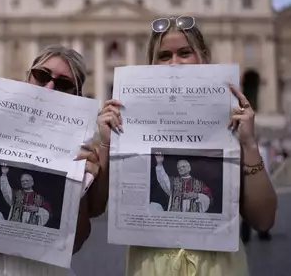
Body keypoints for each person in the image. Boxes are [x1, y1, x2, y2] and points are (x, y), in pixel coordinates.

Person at [96, 16, 277, 276]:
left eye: (184, 53)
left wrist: (249, 144)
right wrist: (105, 143)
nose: (174, 64)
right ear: (151, 64)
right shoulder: (128, 125)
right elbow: (97, 208)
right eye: (163, 56)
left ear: (203, 56)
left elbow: (264, 220)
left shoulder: (230, 121)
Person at [0, 45, 109, 276]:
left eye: (64, 84)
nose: (50, 86)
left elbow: (75, 242)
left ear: (76, 96)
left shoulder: (82, 153)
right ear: (28, 78)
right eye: (42, 75)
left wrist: (81, 190)